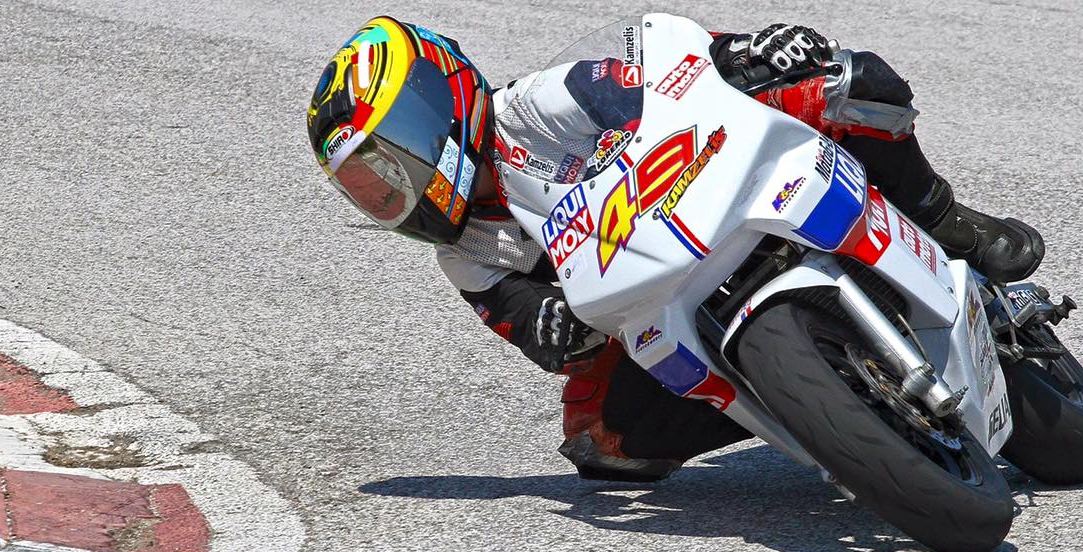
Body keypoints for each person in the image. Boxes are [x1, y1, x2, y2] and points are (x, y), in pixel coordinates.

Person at [306, 16, 1045, 482]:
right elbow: (526, 324)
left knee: (848, 83)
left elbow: (669, 82)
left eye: (388, 168)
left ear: (434, 111)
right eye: (367, 190)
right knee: (602, 442)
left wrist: (744, 56)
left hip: (708, 183)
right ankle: (821, 406)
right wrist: (551, 330)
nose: (389, 197)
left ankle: (949, 225)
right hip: (653, 299)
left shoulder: (536, 106)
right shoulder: (467, 252)